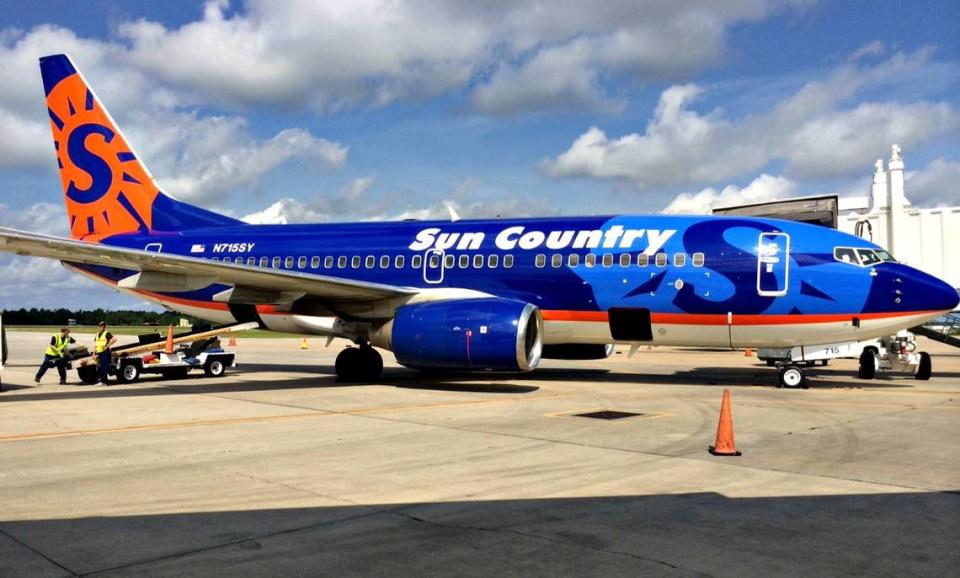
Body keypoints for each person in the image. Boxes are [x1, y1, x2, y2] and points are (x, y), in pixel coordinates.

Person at [94, 321, 117, 386]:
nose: (102, 327)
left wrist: (107, 346)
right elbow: (96, 344)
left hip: (105, 353)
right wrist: (94, 353)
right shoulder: (97, 334)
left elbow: (115, 339)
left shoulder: (107, 333)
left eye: (104, 326)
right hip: (99, 353)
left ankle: (103, 382)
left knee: (104, 368)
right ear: (98, 327)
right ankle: (104, 381)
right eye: (101, 326)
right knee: (100, 368)